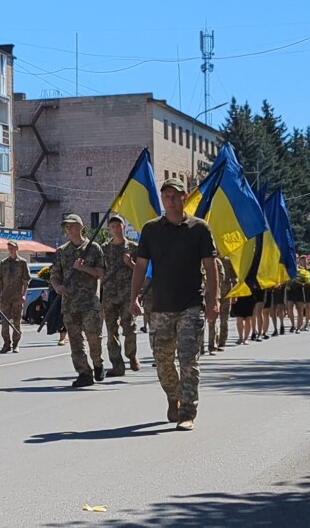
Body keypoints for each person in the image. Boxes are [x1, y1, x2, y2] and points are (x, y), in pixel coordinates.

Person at [130, 178, 219, 431]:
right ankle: (173, 394)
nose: (170, 199)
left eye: (175, 195)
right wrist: (133, 297)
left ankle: (187, 411)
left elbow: (211, 267)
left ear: (184, 196)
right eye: (166, 195)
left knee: (188, 360)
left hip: (191, 305)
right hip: (160, 306)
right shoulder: (151, 230)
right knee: (163, 361)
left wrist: (214, 299)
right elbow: (140, 266)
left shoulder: (199, 228)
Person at [50, 214, 106, 387]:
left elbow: (101, 273)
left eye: (72, 226)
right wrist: (57, 287)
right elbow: (54, 275)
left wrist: (83, 268)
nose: (69, 229)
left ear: (80, 227)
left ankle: (98, 363)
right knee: (75, 342)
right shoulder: (62, 251)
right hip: (69, 304)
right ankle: (84, 373)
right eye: (66, 227)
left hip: (89, 302)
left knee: (93, 338)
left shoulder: (93, 248)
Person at [101, 215, 138, 375]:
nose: (116, 229)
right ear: (110, 229)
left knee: (129, 327)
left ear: (123, 227)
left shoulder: (133, 248)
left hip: (127, 294)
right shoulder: (104, 249)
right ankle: (117, 364)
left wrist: (130, 263)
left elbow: (141, 270)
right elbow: (100, 270)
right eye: (113, 226)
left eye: (118, 226)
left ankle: (131, 355)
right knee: (111, 331)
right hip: (109, 294)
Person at [0, 240, 29, 354]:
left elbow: (26, 280)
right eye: (9, 247)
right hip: (6, 297)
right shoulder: (3, 263)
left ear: (17, 248)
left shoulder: (22, 263)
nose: (10, 249)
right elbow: (0, 281)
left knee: (16, 322)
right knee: (5, 322)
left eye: (12, 247)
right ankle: (6, 343)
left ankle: (16, 344)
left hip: (17, 297)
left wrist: (24, 294)